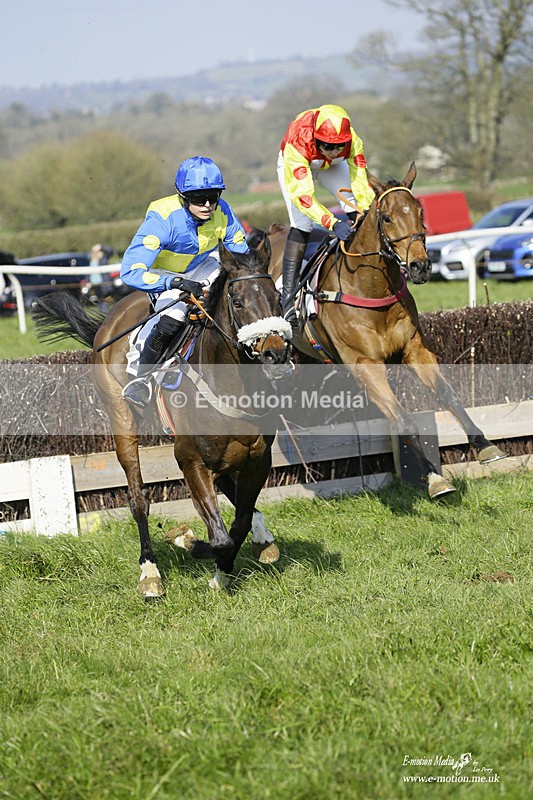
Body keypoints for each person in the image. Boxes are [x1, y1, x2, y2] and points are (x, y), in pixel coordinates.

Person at [120, 155, 249, 408]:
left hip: (203, 267)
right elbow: (130, 272)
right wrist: (174, 284)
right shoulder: (162, 218)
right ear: (183, 196)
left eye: (214, 195)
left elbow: (241, 255)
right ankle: (142, 379)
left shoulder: (223, 211)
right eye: (199, 198)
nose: (208, 204)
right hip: (164, 276)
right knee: (175, 316)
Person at [277, 104, 375, 321]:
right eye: (328, 145)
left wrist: (365, 211)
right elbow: (304, 198)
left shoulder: (352, 141)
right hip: (298, 161)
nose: (333, 151)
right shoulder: (298, 142)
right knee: (302, 224)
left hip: (329, 166)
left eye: (339, 146)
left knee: (356, 206)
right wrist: (332, 223)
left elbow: (360, 181)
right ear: (315, 137)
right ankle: (287, 298)